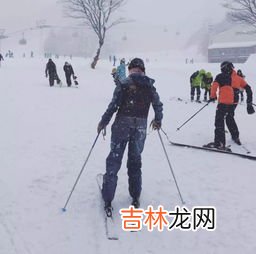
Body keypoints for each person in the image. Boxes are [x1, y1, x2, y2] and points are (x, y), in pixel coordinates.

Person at [97, 58, 163, 213]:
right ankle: (135, 196)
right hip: (140, 127)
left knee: (114, 160)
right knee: (135, 161)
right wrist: (158, 119)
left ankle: (108, 198)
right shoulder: (149, 86)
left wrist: (103, 122)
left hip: (122, 125)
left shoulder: (124, 84)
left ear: (130, 69)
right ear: (143, 70)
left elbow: (113, 106)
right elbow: (158, 105)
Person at [206, 61, 255, 150]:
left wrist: (213, 97)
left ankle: (220, 142)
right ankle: (235, 136)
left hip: (224, 101)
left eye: (222, 68)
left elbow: (214, 86)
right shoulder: (238, 78)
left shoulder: (221, 76)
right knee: (229, 117)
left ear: (226, 68)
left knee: (220, 119)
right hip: (233, 103)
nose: (221, 70)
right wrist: (249, 102)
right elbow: (248, 88)